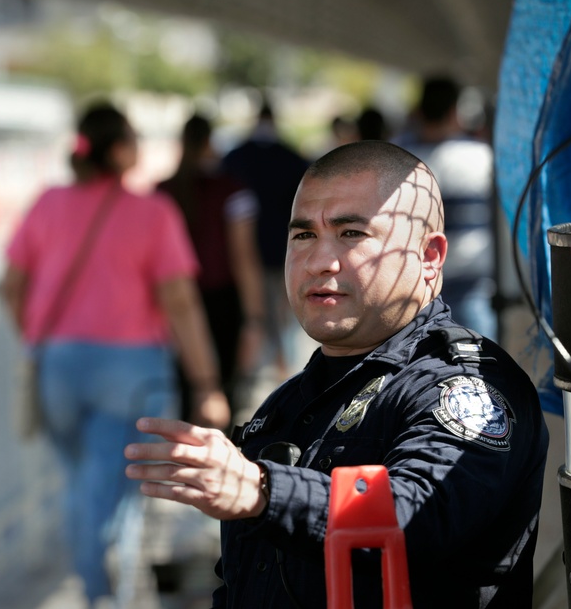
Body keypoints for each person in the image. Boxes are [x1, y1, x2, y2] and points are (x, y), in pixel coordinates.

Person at [125, 141, 549, 607]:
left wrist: (263, 491)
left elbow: (416, 515)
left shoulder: (464, 387)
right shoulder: (284, 406)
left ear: (429, 257)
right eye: (303, 235)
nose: (320, 260)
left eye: (351, 234)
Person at [2, 102, 229, 608]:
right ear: (122, 149)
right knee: (118, 493)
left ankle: (99, 584)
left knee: (84, 483)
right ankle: (103, 592)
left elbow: (12, 283)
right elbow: (180, 301)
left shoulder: (47, 203)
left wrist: (37, 337)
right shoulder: (151, 213)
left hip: (56, 368)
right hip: (130, 373)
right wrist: (207, 381)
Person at [157, 114, 266, 422]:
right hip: (222, 303)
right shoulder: (233, 191)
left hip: (169, 301)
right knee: (221, 394)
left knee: (181, 390)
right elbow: (244, 258)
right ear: (209, 142)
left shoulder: (161, 191)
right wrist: (255, 318)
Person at [396, 75, 498, 339]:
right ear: (455, 112)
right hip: (473, 284)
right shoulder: (482, 157)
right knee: (480, 364)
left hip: (414, 288)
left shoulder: (397, 159)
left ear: (419, 112)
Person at [221, 99, 310, 379]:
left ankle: (251, 373)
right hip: (283, 250)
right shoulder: (293, 158)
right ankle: (286, 371)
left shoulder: (234, 157)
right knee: (284, 316)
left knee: (253, 316)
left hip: (240, 253)